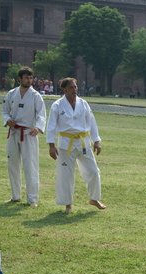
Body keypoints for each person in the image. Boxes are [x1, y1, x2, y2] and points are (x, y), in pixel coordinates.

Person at [46, 77, 106, 214]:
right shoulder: (57, 105)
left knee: (93, 171)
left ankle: (94, 198)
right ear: (64, 89)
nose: (75, 89)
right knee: (66, 175)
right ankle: (68, 204)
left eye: (76, 87)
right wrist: (51, 145)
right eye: (72, 87)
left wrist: (96, 140)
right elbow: (51, 126)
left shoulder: (83, 103)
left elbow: (91, 122)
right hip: (65, 144)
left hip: (83, 142)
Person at [2, 66, 46, 207]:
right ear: (19, 79)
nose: (29, 80)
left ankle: (32, 198)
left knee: (30, 166)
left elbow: (41, 114)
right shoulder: (11, 94)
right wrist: (8, 120)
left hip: (28, 134)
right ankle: (15, 196)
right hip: (14, 132)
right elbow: (4, 111)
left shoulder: (35, 96)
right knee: (12, 165)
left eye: (31, 77)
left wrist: (38, 127)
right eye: (26, 77)